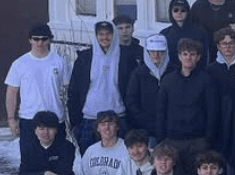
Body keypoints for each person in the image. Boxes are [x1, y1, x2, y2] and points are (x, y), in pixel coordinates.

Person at [4, 23, 70, 158]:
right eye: (36, 39)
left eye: (44, 39)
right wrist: (11, 119)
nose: (40, 43)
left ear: (49, 40)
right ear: (30, 40)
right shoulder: (20, 64)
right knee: (30, 162)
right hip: (29, 119)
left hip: (55, 118)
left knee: (56, 161)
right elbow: (12, 92)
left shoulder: (60, 62)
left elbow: (69, 89)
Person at [155, 37, 218, 175]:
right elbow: (161, 111)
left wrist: (208, 138)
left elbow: (212, 111)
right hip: (172, 141)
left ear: (198, 57)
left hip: (198, 141)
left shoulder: (206, 80)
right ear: (179, 56)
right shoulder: (168, 80)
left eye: (192, 54)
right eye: (185, 54)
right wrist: (161, 139)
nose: (188, 58)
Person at [67, 20, 130, 153]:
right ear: (96, 36)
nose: (105, 37)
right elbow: (73, 91)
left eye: (108, 34)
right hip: (90, 119)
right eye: (101, 34)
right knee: (89, 159)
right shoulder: (85, 58)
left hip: (118, 118)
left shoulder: (125, 57)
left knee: (119, 159)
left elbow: (132, 90)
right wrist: (75, 122)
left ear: (114, 35)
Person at [126, 35, 169, 138]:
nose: (156, 55)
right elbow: (131, 102)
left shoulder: (173, 72)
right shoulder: (138, 74)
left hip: (169, 128)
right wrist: (145, 122)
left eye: (160, 51)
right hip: (145, 130)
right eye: (152, 51)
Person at [160, 0, 210, 71]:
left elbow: (204, 57)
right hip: (171, 73)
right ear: (171, 12)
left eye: (183, 10)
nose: (179, 13)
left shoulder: (199, 32)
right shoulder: (164, 34)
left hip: (195, 72)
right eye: (175, 10)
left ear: (188, 12)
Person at [206, 27, 235, 100]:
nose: (228, 47)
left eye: (231, 43)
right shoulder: (211, 69)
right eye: (224, 43)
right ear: (218, 46)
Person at [113, 14, 144, 94]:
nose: (124, 31)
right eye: (120, 28)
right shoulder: (111, 52)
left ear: (133, 28)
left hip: (136, 93)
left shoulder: (141, 51)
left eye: (127, 27)